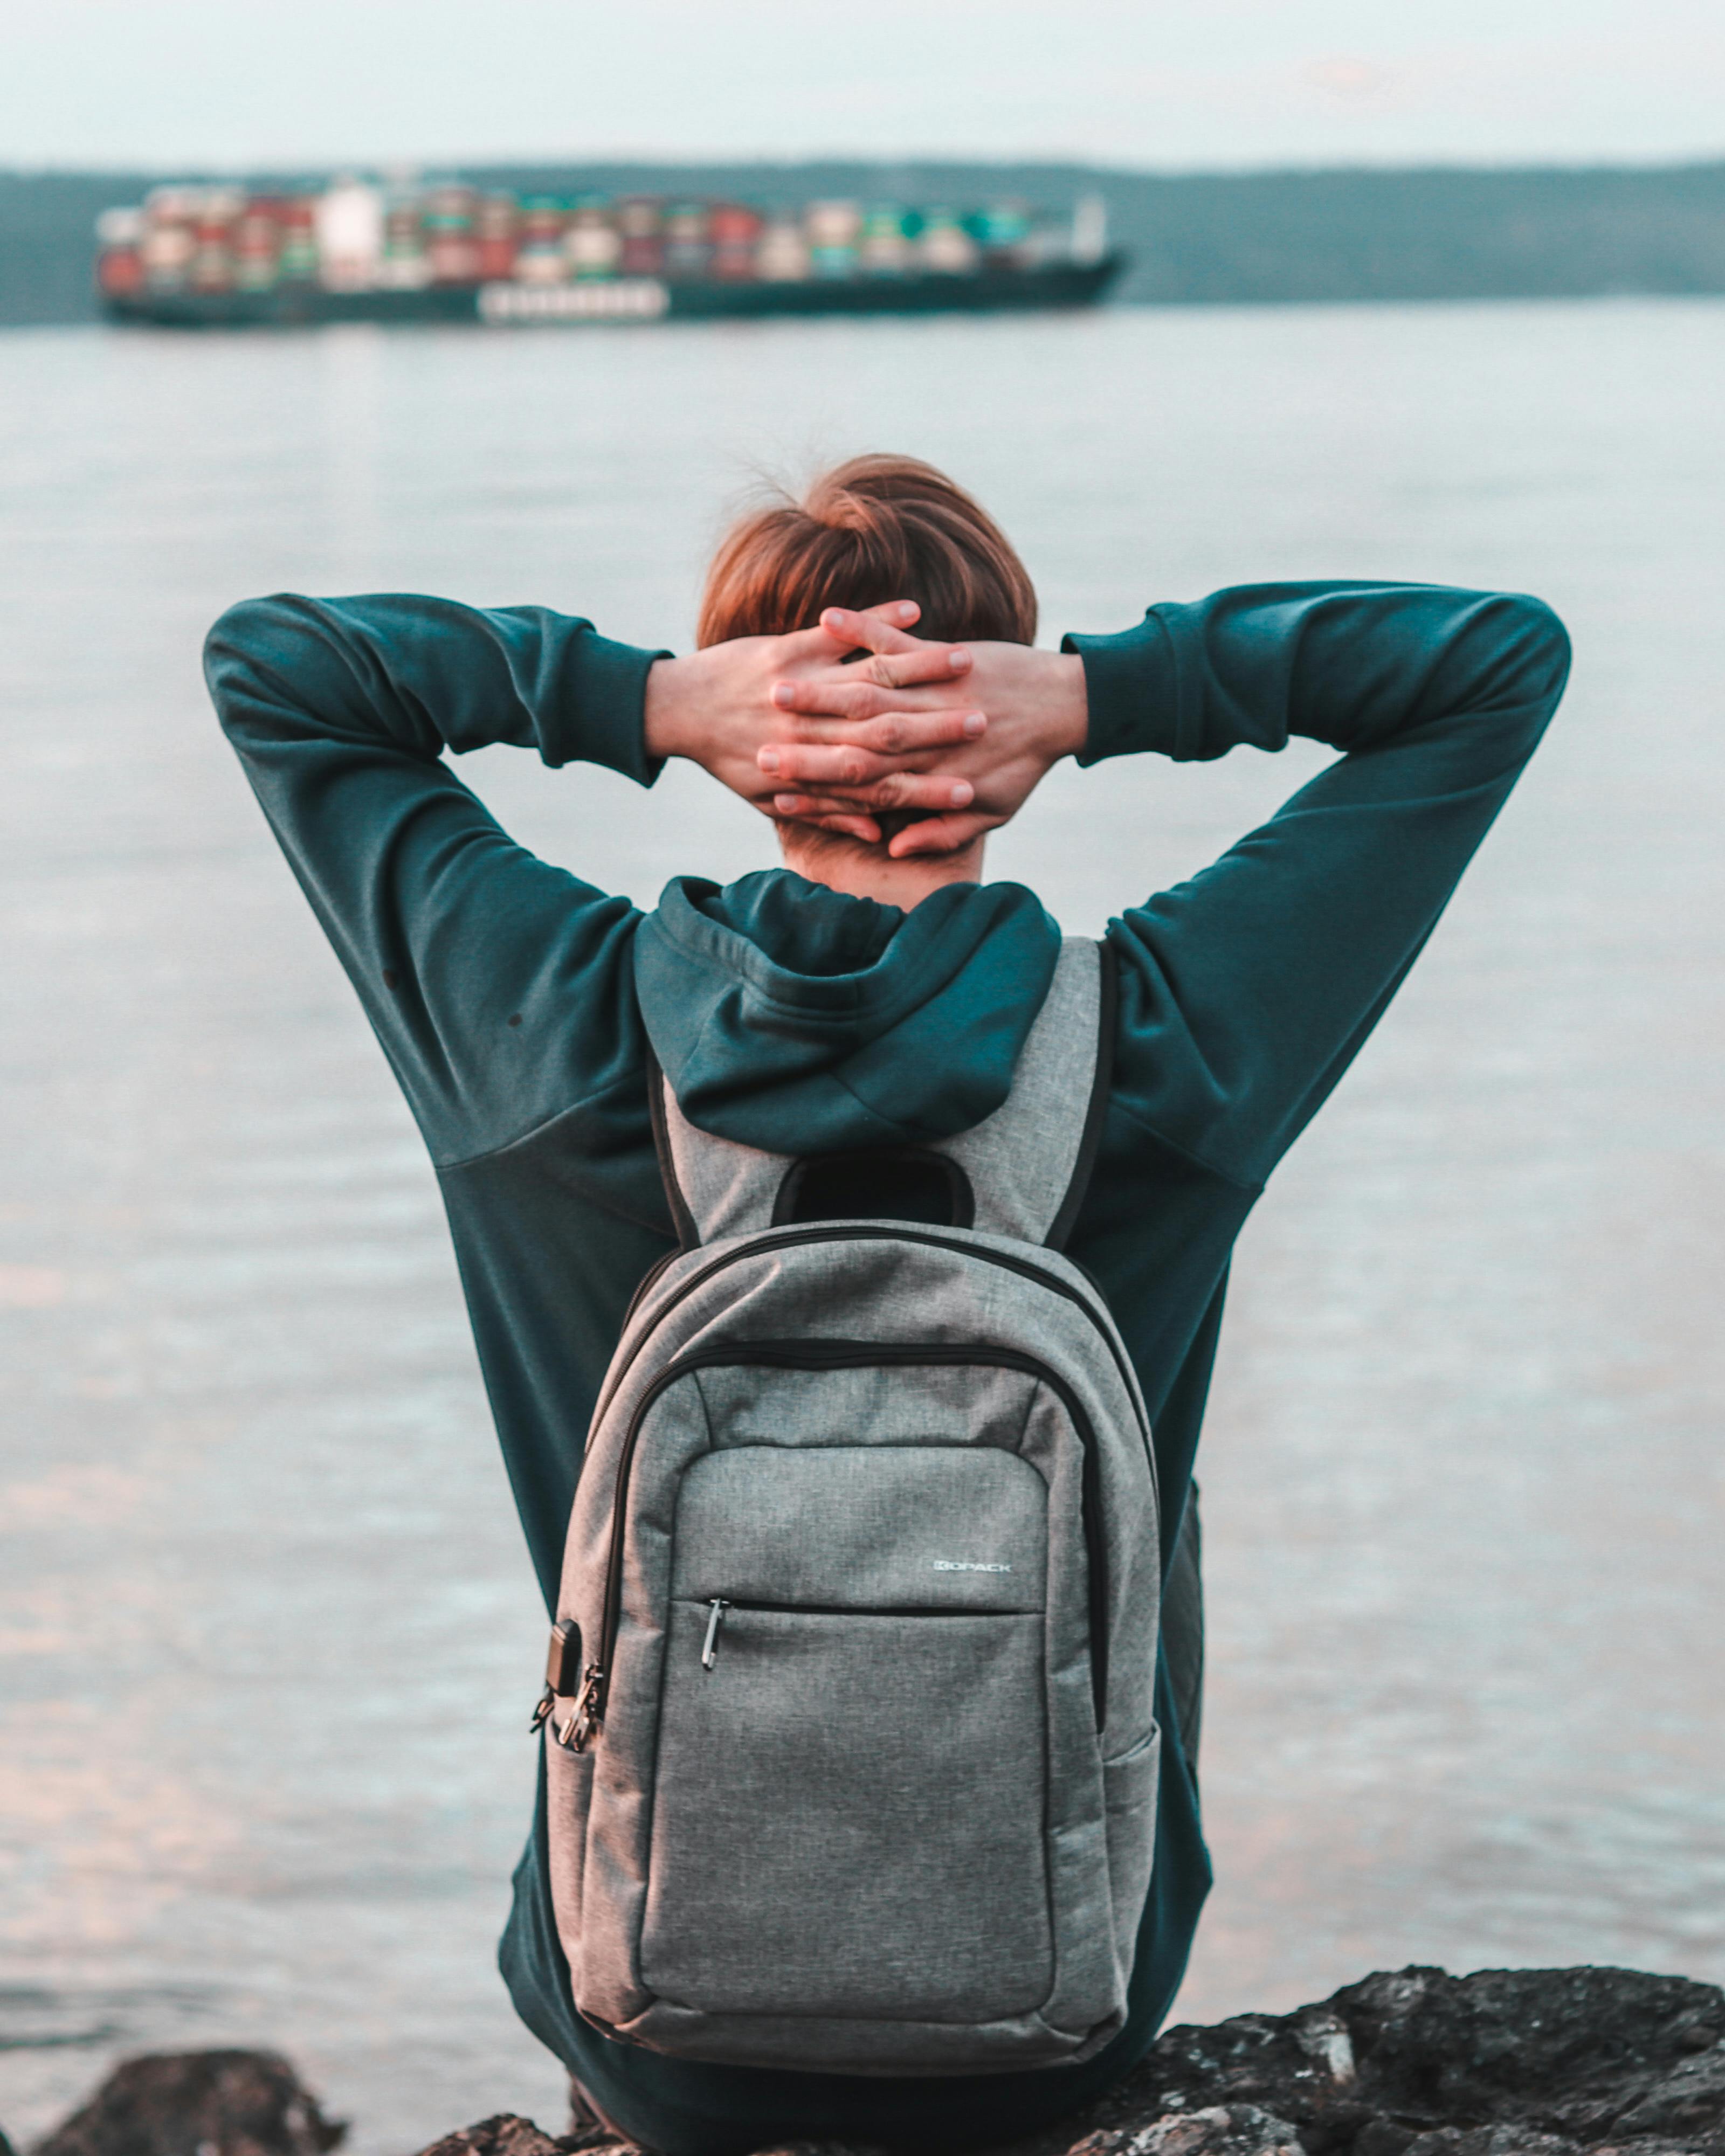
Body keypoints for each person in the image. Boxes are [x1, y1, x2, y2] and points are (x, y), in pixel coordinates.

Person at [204, 454, 1570, 2156]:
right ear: (1001, 721)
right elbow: (1494, 662)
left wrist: (632, 702)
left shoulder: (547, 1033)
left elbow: (278, 667)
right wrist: (1103, 693)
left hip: (650, 2029)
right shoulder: (1164, 1049)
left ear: (748, 726)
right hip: (1056, 2024)